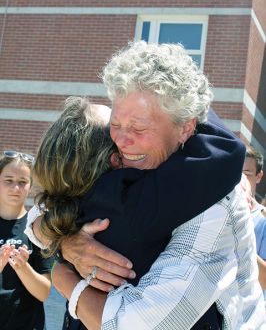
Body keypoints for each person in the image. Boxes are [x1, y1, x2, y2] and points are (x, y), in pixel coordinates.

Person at [29, 41, 264, 329]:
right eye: (115, 124)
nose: (122, 141)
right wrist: (67, 242)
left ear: (186, 128)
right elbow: (42, 213)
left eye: (139, 129)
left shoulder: (214, 203)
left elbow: (142, 324)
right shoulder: (127, 168)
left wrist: (65, 280)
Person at [0, 151, 53, 330]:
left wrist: (23, 268)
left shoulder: (39, 227)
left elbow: (44, 293)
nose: (15, 188)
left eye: (22, 182)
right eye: (8, 180)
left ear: (30, 186)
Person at [243, 146, 266, 295]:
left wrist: (240, 237)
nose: (240, 180)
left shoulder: (263, 219)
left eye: (246, 174)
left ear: (258, 176)